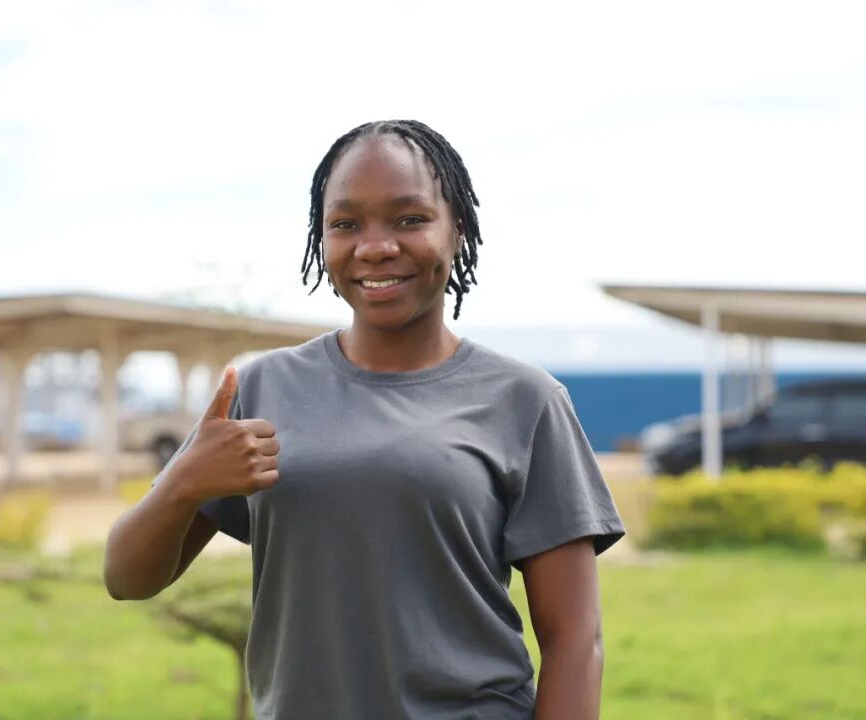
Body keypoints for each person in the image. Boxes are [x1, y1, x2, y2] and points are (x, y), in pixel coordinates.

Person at [104, 119, 627, 719]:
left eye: (409, 219)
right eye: (346, 224)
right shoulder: (260, 388)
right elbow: (127, 579)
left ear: (457, 228)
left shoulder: (524, 401)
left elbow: (574, 640)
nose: (375, 246)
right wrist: (182, 482)